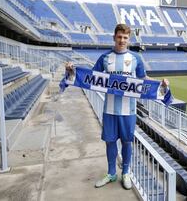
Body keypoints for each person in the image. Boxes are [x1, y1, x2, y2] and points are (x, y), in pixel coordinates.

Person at [66, 24, 168, 190]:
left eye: (125, 38)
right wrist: (72, 72)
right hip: (110, 110)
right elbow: (90, 78)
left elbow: (144, 79)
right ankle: (112, 173)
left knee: (127, 142)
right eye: (119, 37)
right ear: (114, 37)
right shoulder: (105, 58)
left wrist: (160, 85)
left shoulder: (135, 58)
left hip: (129, 110)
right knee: (110, 142)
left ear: (129, 39)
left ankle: (126, 173)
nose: (122, 40)